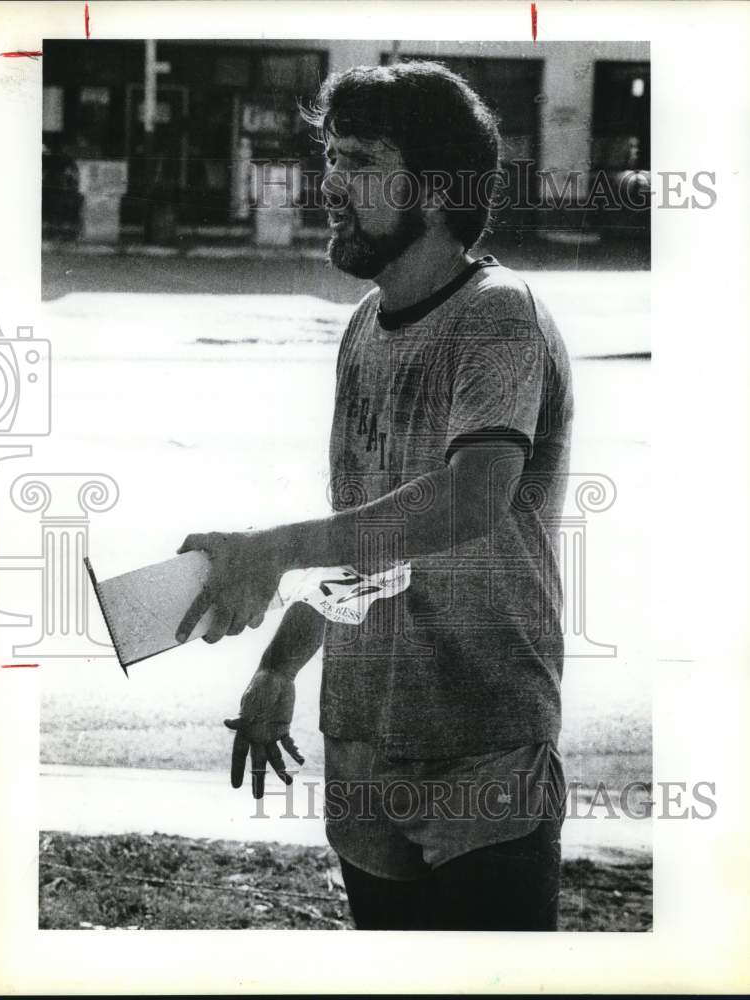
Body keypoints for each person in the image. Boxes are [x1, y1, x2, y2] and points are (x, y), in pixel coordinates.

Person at [175, 61, 573, 931]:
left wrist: (271, 545)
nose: (331, 184)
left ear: (431, 185)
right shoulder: (362, 326)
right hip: (361, 742)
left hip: (480, 746)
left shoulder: (498, 315)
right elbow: (368, 535)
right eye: (332, 159)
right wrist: (280, 664)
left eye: (357, 162)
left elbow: (473, 499)